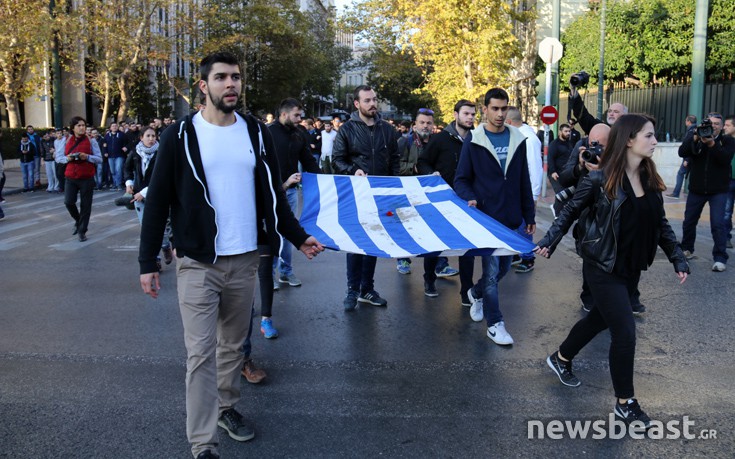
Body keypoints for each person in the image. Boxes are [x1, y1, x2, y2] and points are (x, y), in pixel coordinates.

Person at [137, 52, 324, 459]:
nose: (231, 84)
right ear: (203, 86)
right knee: (199, 354)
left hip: (245, 259)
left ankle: (225, 408)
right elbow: (158, 202)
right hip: (197, 263)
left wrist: (298, 236)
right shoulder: (180, 136)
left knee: (231, 347)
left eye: (236, 77)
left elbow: (273, 195)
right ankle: (203, 443)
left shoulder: (256, 132)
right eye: (221, 78)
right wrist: (147, 261)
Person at [535, 114, 689, 429]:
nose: (655, 141)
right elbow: (569, 211)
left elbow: (660, 224)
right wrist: (549, 242)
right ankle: (625, 403)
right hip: (602, 266)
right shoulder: (598, 179)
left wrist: (677, 257)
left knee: (597, 320)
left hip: (631, 268)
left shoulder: (649, 178)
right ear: (629, 139)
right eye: (649, 135)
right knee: (624, 332)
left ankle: (561, 358)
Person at [453, 88, 535, 345]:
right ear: (485, 109)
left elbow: (523, 179)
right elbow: (461, 179)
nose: (500, 114)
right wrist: (471, 197)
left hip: (511, 217)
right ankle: (495, 323)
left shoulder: (518, 138)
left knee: (504, 268)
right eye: (495, 108)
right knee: (491, 272)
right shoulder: (474, 139)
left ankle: (475, 293)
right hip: (486, 218)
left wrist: (529, 214)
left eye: (504, 108)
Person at [333, 85, 399, 310]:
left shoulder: (387, 129)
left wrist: (393, 188)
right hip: (356, 194)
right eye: (368, 100)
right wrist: (353, 170)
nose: (373, 104)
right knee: (356, 243)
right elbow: (337, 159)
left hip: (380, 195)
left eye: (375, 99)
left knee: (374, 243)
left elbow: (395, 159)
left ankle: (367, 289)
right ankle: (352, 290)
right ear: (357, 104)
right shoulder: (346, 130)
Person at [418, 99, 477, 306]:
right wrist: (430, 173)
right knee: (435, 243)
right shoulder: (440, 139)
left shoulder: (478, 139)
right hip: (441, 201)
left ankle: (466, 292)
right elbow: (422, 161)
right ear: (456, 115)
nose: (470, 117)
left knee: (467, 248)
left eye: (472, 114)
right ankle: (429, 279)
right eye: (466, 114)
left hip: (467, 201)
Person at [268, 98, 321, 290]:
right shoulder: (268, 133)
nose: (300, 119)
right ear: (284, 114)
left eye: (301, 115)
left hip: (289, 193)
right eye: (296, 115)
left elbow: (309, 162)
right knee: (273, 234)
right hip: (271, 193)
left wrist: (327, 182)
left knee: (287, 234)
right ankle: (270, 273)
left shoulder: (299, 135)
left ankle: (286, 271)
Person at [678, 112, 735, 272]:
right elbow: (682, 152)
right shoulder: (697, 136)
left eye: (717, 123)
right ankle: (687, 249)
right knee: (689, 221)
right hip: (696, 189)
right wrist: (695, 139)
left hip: (719, 190)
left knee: (718, 224)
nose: (714, 126)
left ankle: (720, 257)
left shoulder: (728, 141)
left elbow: (724, 159)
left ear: (722, 126)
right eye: (711, 123)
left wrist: (711, 144)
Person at [124, 126, 172, 270]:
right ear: (141, 138)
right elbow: (127, 170)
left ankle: (165, 246)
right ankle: (155, 259)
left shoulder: (161, 153)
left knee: (161, 227)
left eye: (153, 136)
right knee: (147, 228)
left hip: (157, 194)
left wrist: (144, 192)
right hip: (139, 196)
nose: (151, 139)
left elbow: (162, 177)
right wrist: (129, 184)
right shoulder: (135, 153)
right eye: (148, 136)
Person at [506, 107, 543, 273]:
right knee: (515, 223)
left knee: (525, 225)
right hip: (517, 191)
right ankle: (518, 254)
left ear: (509, 122)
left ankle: (528, 258)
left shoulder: (529, 139)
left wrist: (534, 197)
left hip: (525, 192)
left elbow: (535, 169)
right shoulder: (519, 136)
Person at [58, 117, 102, 242]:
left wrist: (87, 157)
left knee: (86, 205)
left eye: (83, 125)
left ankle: (82, 231)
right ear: (73, 128)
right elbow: (59, 157)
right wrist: (68, 159)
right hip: (71, 176)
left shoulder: (91, 140)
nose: (82, 128)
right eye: (79, 125)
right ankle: (78, 221)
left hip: (87, 177)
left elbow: (99, 158)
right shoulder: (65, 141)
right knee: (68, 202)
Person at [547, 123, 575, 215]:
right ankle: (557, 213)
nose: (568, 133)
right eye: (566, 131)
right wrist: (553, 172)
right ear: (560, 132)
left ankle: (556, 208)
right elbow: (550, 158)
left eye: (569, 131)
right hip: (556, 174)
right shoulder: (554, 144)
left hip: (566, 174)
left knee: (567, 194)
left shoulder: (570, 144)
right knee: (561, 193)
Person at [666, 115, 697, 199]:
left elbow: (690, 146)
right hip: (690, 158)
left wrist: (687, 159)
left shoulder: (691, 131)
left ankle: (676, 193)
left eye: (686, 120)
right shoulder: (695, 130)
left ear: (689, 122)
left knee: (680, 174)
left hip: (688, 158)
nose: (685, 122)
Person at [721, 115, 735, 249]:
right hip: (729, 180)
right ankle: (726, 238)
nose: (724, 127)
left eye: (727, 125)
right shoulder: (724, 140)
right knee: (726, 211)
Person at [104, 123, 129, 190]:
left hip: (119, 155)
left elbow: (128, 143)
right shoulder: (107, 136)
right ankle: (115, 184)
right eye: (113, 126)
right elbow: (104, 145)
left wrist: (126, 147)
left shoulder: (122, 135)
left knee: (118, 169)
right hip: (110, 156)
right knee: (113, 171)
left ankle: (119, 184)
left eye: (116, 126)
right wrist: (105, 152)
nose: (114, 127)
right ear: (110, 128)